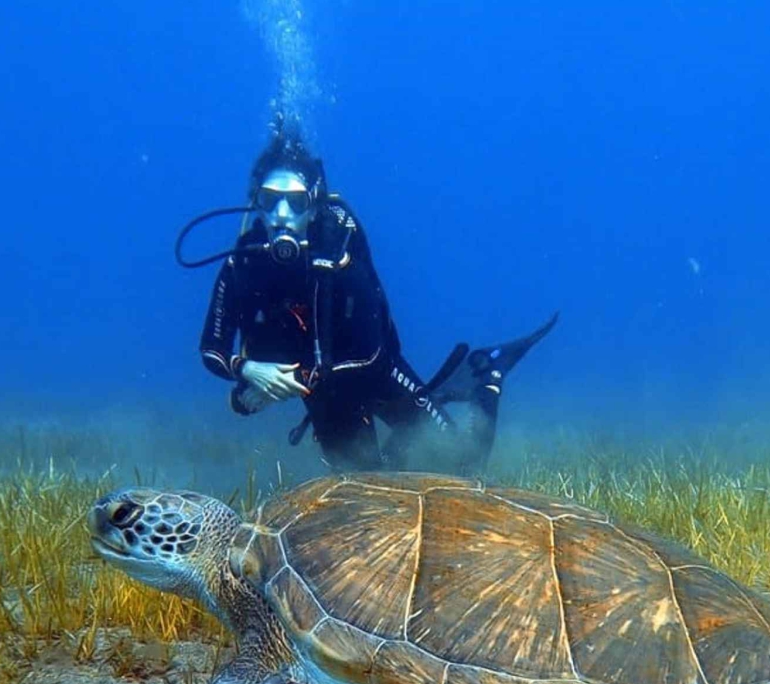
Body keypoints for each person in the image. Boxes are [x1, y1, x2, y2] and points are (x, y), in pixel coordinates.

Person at [189, 117, 555, 474]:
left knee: (463, 463)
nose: (281, 214)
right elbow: (211, 348)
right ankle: (416, 428)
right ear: (255, 202)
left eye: (296, 202)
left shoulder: (337, 254)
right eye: (270, 200)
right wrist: (249, 369)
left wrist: (292, 380)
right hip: (324, 395)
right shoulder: (243, 263)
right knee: (364, 488)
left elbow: (372, 352)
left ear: (314, 203)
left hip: (375, 372)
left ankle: (485, 371)